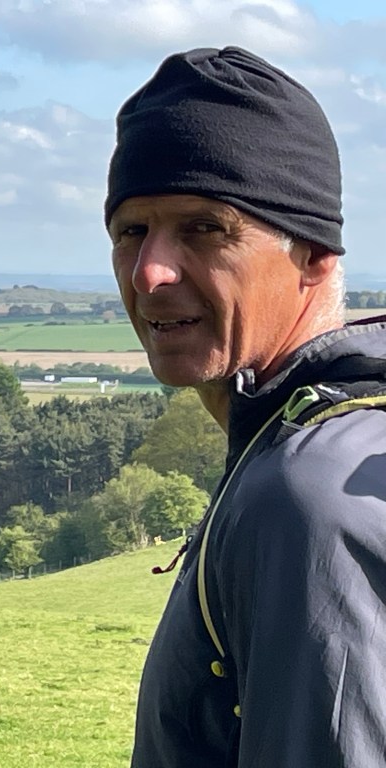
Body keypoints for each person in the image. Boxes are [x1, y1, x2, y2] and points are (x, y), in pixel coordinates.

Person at [106, 46, 386, 766]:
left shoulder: (309, 496)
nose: (149, 272)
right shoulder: (307, 444)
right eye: (131, 231)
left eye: (205, 227)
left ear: (314, 254)